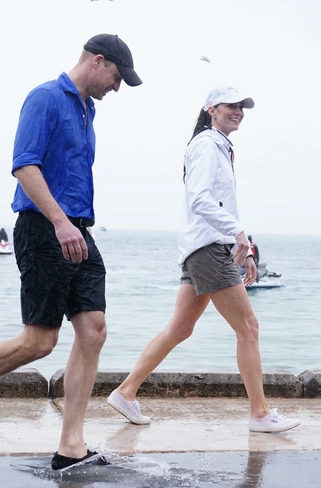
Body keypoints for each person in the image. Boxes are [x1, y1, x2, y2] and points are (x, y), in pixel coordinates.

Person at [0, 33, 142, 470]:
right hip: (45, 229)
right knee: (39, 342)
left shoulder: (87, 109)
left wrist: (72, 226)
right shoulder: (45, 98)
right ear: (97, 61)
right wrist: (59, 222)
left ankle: (71, 446)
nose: (117, 87)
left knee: (94, 330)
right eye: (117, 77)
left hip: (79, 232)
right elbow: (24, 165)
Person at [106, 86, 300, 434]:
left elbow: (221, 204)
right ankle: (260, 413)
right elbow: (199, 199)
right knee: (249, 327)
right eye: (230, 105)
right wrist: (239, 233)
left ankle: (125, 392)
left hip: (204, 247)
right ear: (211, 109)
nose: (238, 111)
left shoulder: (218, 146)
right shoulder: (206, 145)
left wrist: (245, 249)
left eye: (242, 107)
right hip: (208, 248)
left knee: (179, 329)